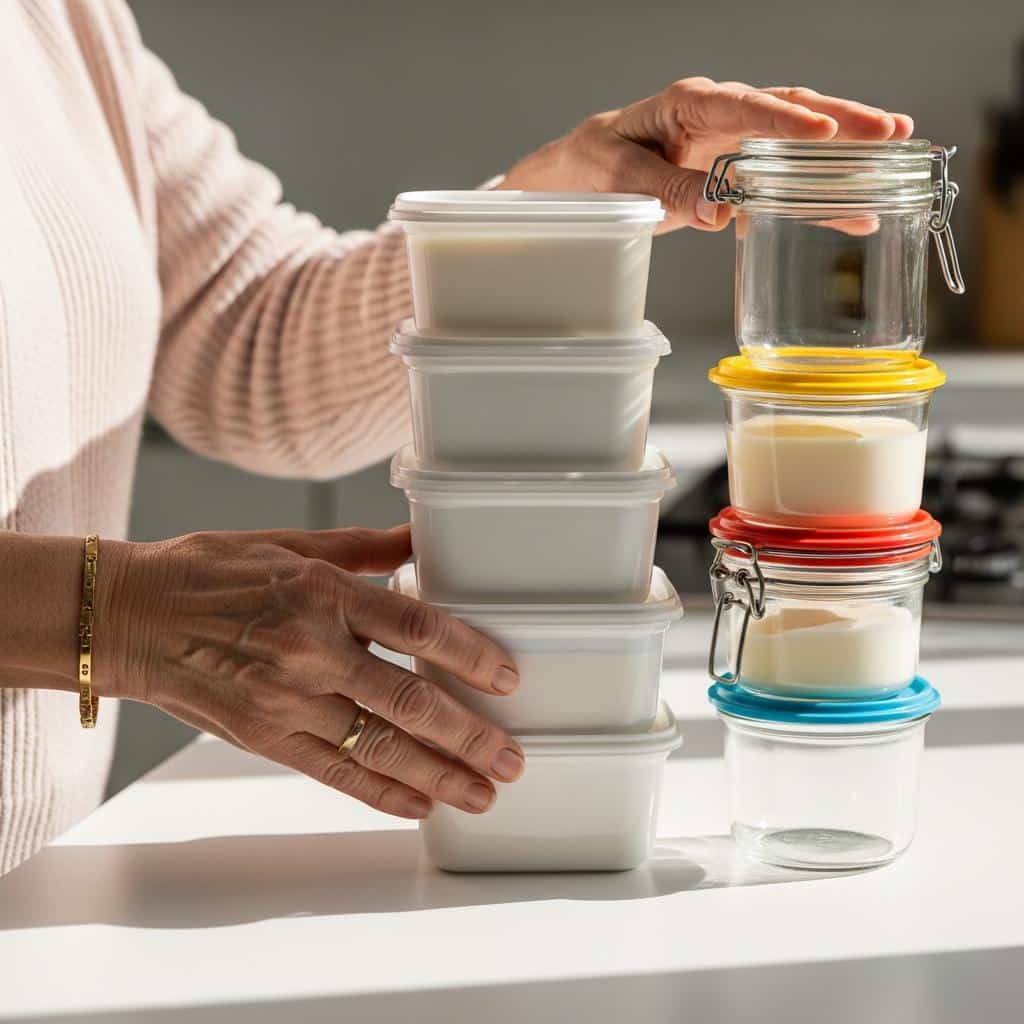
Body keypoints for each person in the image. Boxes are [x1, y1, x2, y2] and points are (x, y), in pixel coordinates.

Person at [0, 0, 914, 875]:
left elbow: (254, 338)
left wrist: (545, 208)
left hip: (42, 886)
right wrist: (113, 612)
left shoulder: (63, 18)